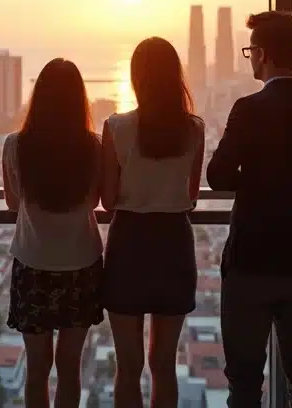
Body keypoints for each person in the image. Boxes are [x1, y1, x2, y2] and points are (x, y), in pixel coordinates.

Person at [206, 11, 292, 408]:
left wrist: (256, 181)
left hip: (250, 260)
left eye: (249, 51)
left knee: (244, 380)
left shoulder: (247, 108)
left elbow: (218, 175)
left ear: (260, 54)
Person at [101, 37, 205, 408]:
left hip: (129, 242)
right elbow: (191, 196)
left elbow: (108, 202)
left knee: (128, 366)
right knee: (164, 364)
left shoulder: (116, 127)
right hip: (174, 242)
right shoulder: (194, 128)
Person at [3, 58, 104, 408]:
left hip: (32, 265)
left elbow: (13, 205)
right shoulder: (93, 146)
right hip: (80, 264)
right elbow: (94, 200)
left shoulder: (15, 144)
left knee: (36, 369)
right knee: (70, 368)